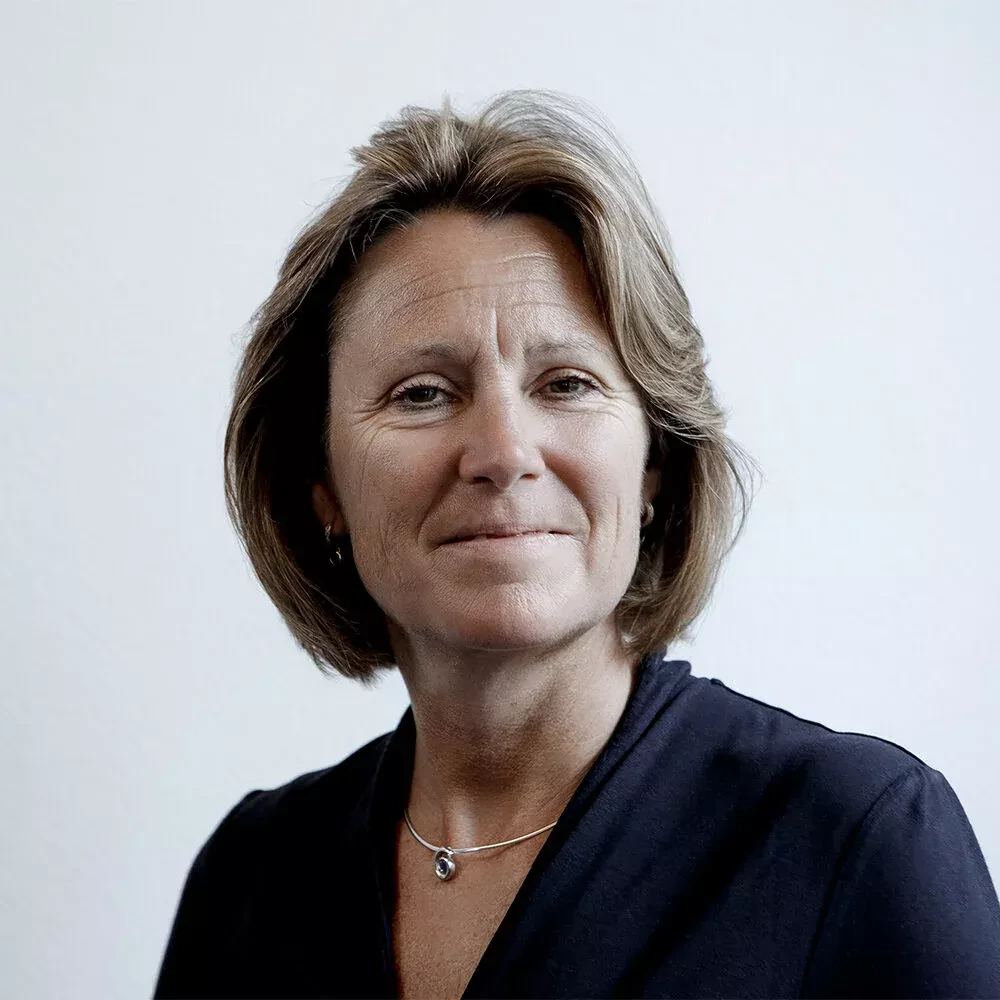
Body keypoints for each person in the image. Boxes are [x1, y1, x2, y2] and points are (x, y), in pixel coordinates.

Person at [153, 89, 1000, 999]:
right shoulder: (250, 877)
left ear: (653, 471)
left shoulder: (855, 838)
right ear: (322, 488)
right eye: (422, 394)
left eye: (566, 383)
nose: (505, 454)